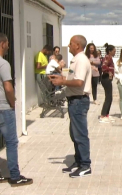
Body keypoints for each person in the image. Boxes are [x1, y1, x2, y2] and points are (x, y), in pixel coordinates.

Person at [0, 33, 32, 186]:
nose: (8, 45)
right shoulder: (3, 64)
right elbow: (8, 87)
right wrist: (13, 102)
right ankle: (15, 176)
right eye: (7, 43)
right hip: (3, 108)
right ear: (2, 44)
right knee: (11, 142)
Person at [50, 35, 93, 178]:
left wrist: (62, 81)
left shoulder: (81, 60)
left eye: (71, 43)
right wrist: (62, 75)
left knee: (80, 134)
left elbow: (79, 82)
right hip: (74, 101)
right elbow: (72, 76)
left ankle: (85, 165)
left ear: (78, 46)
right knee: (74, 134)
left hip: (79, 100)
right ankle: (79, 161)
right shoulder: (77, 60)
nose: (68, 45)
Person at [99, 43, 116, 123]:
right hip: (105, 79)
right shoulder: (107, 57)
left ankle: (107, 115)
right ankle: (102, 115)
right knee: (108, 97)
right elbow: (103, 67)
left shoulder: (110, 58)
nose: (115, 52)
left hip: (108, 79)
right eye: (114, 51)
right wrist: (109, 72)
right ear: (109, 51)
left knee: (110, 97)